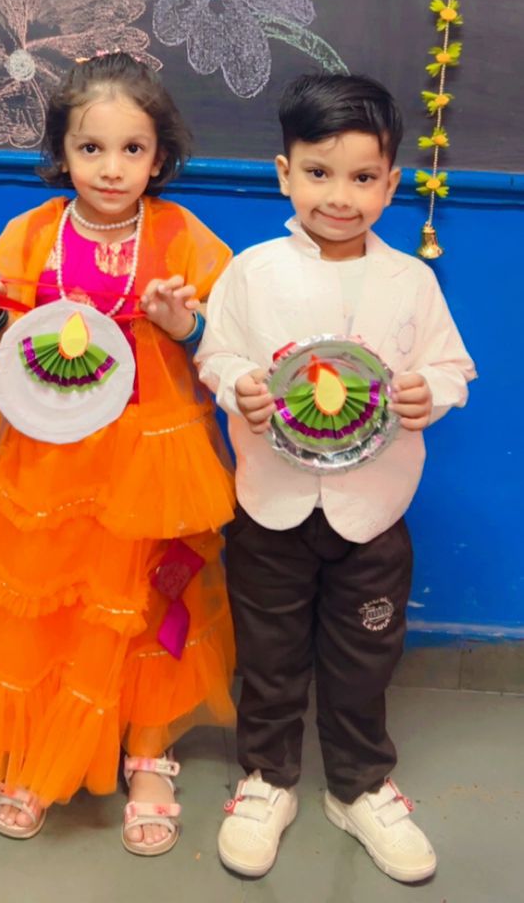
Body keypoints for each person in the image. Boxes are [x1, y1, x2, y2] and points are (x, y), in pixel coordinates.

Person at [0, 53, 235, 854]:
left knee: (146, 600)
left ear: (159, 156)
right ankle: (33, 741)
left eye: (132, 149)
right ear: (62, 152)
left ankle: (147, 751)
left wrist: (181, 323)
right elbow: (14, 351)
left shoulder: (183, 236)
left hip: (149, 459)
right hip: (49, 456)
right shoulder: (35, 233)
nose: (111, 168)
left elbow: (221, 343)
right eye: (91, 148)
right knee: (47, 597)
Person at [196, 72, 474, 885]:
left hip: (372, 512)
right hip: (270, 505)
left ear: (392, 183)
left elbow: (453, 367)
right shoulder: (252, 271)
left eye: (362, 177)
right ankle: (267, 778)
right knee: (270, 652)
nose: (340, 196)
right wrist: (237, 383)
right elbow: (215, 352)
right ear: (285, 173)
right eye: (319, 173)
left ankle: (358, 786)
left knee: (364, 657)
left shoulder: (411, 280)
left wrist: (432, 393)